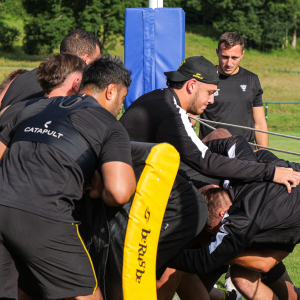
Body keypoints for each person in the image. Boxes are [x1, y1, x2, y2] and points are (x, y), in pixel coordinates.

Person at [0, 54, 136, 300]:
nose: (121, 107)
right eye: (123, 99)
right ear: (111, 90)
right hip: (44, 214)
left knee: (22, 290)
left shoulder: (33, 106)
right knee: (87, 295)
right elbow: (119, 191)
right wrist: (97, 190)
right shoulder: (110, 125)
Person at [167, 136, 300, 300]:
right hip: (287, 201)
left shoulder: (241, 219)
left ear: (222, 214)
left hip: (284, 208)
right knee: (242, 276)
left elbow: (203, 261)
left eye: (215, 230)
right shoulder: (240, 174)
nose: (217, 235)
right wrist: (191, 153)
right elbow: (234, 142)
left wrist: (160, 254)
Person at [0, 29, 101, 110]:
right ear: (85, 59)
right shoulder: (71, 89)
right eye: (97, 60)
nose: (98, 66)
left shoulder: (21, 77)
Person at [199, 32, 268, 149]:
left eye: (234, 57)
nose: (229, 63)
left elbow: (260, 123)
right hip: (213, 153)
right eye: (225, 57)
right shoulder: (204, 79)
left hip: (245, 153)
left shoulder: (251, 79)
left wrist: (264, 153)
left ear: (242, 54)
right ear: (217, 52)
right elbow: (191, 118)